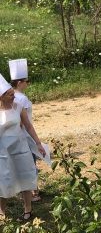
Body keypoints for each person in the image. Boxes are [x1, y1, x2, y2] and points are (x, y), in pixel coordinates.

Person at [0, 73, 46, 222]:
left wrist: (38, 143)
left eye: (13, 93)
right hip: (3, 152)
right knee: (4, 180)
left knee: (25, 178)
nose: (13, 96)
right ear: (1, 97)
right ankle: (2, 213)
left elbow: (29, 126)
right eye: (9, 95)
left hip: (20, 149)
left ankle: (28, 211)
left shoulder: (19, 106)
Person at [9, 59, 41, 202]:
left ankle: (24, 189)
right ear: (20, 82)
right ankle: (35, 192)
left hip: (14, 135)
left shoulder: (10, 97)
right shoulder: (23, 99)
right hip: (26, 135)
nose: (28, 83)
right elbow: (25, 121)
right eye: (26, 81)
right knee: (30, 162)